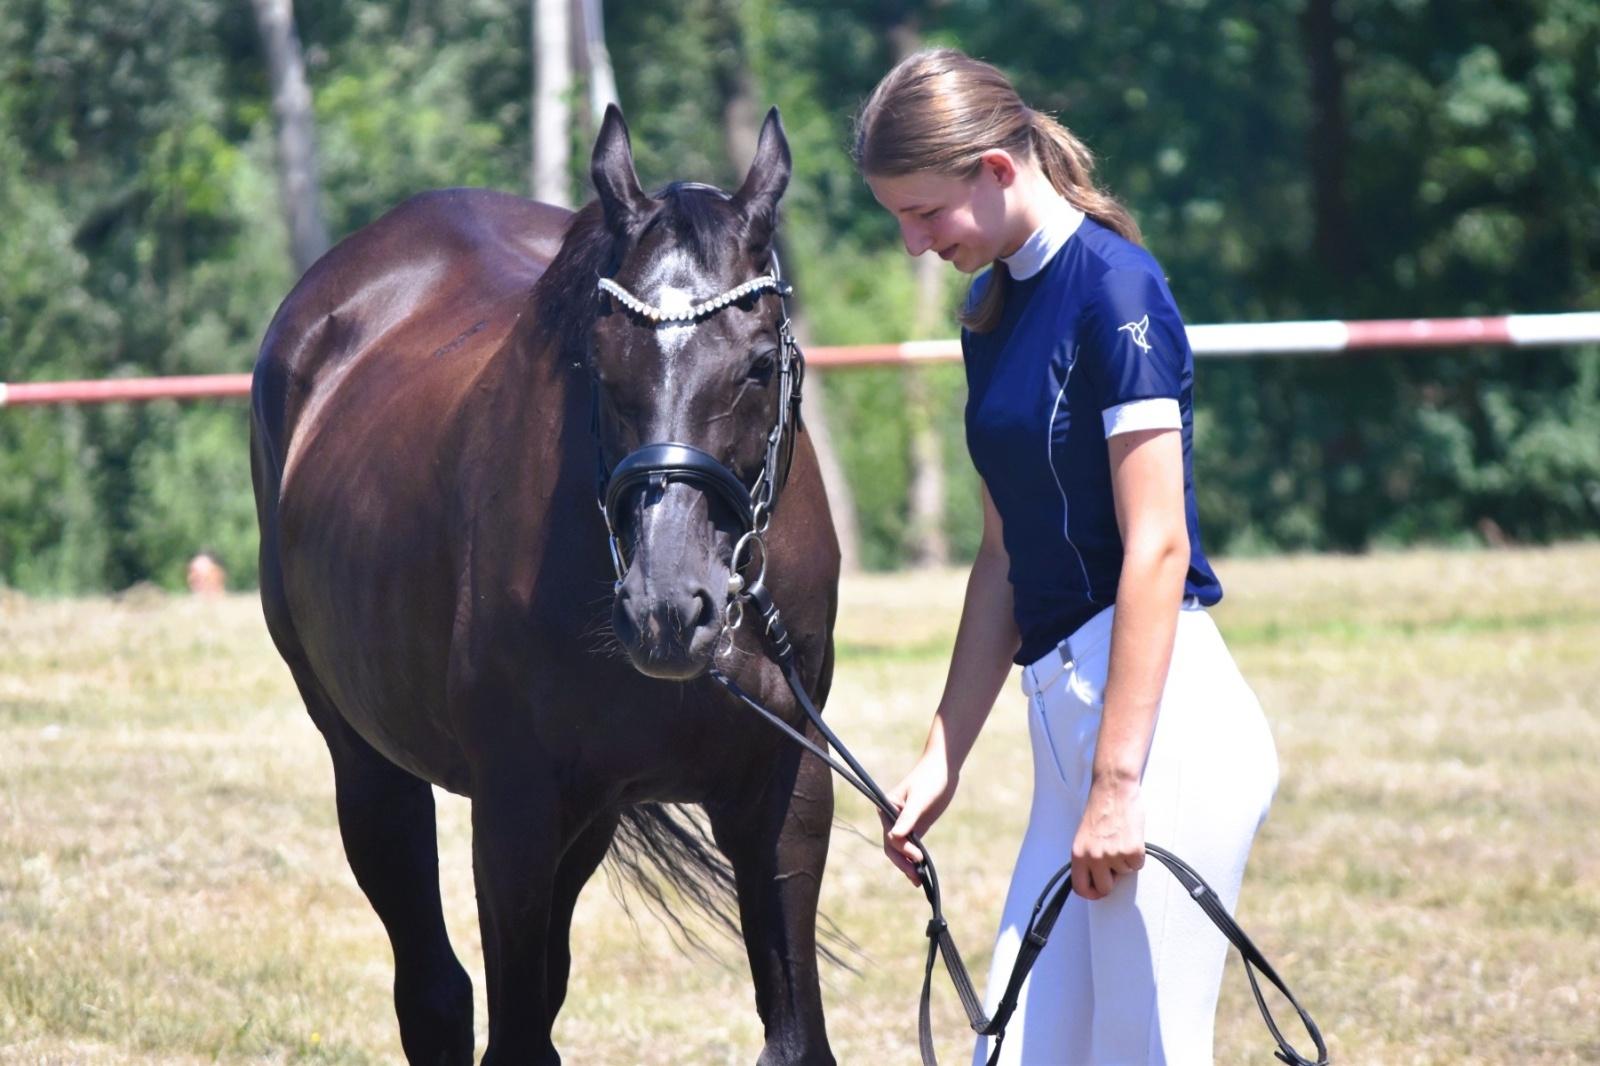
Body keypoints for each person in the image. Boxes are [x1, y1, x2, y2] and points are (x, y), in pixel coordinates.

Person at [854, 49, 1280, 1065]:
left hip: (1159, 737)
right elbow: (1003, 550)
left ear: (996, 170)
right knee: (1009, 1052)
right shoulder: (990, 308)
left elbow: (1157, 543)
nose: (912, 243)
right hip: (1066, 742)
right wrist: (942, 753)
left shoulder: (1116, 289)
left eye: (922, 214)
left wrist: (1120, 782)